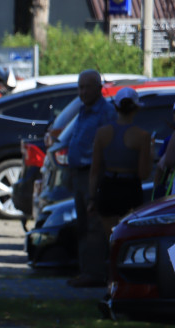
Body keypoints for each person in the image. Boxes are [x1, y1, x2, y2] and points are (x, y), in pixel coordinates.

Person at [85, 87, 152, 285]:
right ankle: (126, 282)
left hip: (108, 187)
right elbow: (143, 173)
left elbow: (95, 170)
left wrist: (91, 198)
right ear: (136, 109)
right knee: (128, 241)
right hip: (129, 189)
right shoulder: (142, 136)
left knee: (111, 241)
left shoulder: (102, 133)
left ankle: (111, 283)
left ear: (115, 107)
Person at [65, 70, 116, 288]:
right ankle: (86, 269)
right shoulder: (83, 110)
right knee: (83, 224)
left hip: (94, 174)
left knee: (94, 223)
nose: (83, 92)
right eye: (80, 87)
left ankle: (94, 273)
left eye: (87, 87)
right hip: (79, 174)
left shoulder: (106, 112)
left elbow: (108, 145)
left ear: (99, 88)